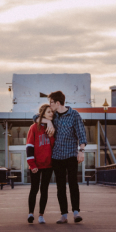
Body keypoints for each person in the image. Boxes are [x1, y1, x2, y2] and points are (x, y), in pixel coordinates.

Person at [36, 90, 87, 224]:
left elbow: (81, 133)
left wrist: (81, 150)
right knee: (60, 187)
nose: (50, 105)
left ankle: (76, 213)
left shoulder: (74, 114)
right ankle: (64, 214)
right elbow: (35, 117)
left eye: (51, 102)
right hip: (57, 156)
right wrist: (48, 122)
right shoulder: (54, 116)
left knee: (73, 184)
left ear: (57, 103)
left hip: (71, 155)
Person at [26, 104, 55, 224]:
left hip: (48, 165)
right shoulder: (33, 128)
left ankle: (41, 215)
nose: (51, 114)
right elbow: (29, 146)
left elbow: (53, 146)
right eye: (49, 112)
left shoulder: (53, 127)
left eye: (52, 112)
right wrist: (32, 164)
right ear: (42, 114)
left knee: (44, 190)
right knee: (34, 189)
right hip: (36, 165)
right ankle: (30, 213)